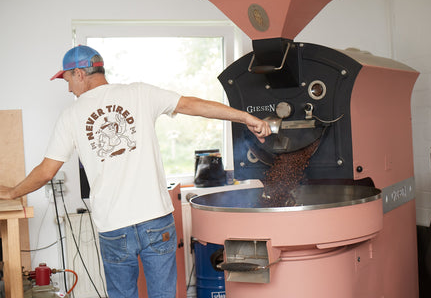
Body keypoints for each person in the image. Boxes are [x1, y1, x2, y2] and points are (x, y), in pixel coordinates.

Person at [0, 45, 271, 298]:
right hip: (156, 219)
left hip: (114, 226)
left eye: (67, 79)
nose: (69, 88)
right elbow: (193, 105)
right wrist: (246, 117)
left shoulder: (71, 115)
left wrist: (12, 192)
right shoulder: (140, 93)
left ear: (80, 73)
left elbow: (46, 171)